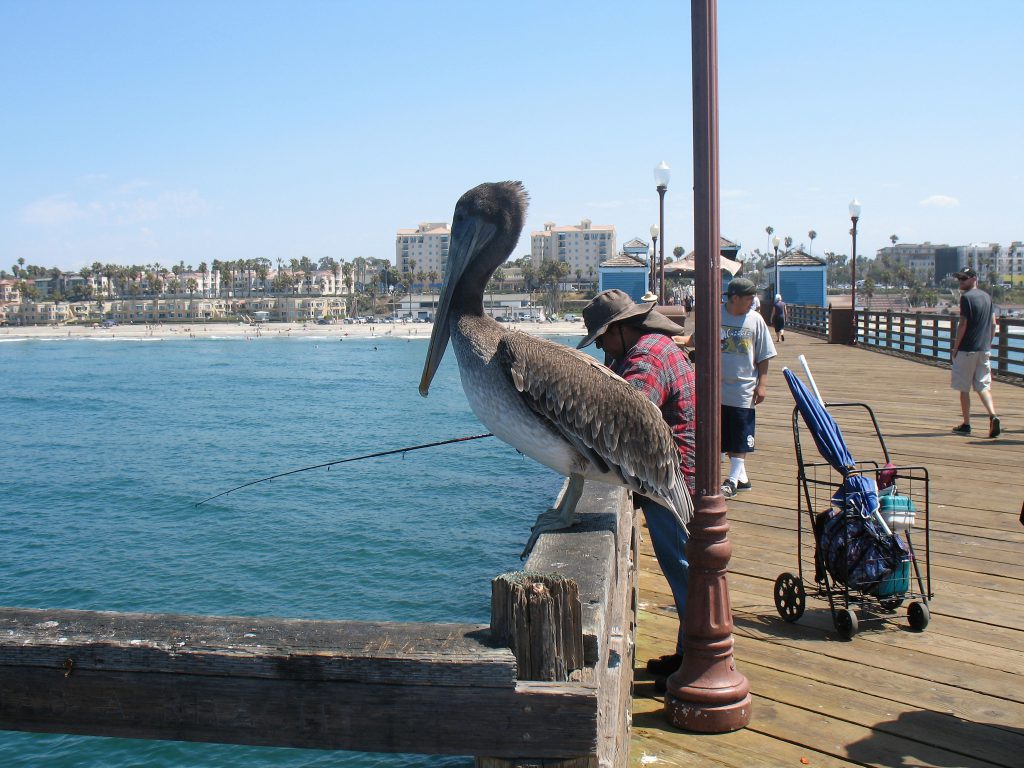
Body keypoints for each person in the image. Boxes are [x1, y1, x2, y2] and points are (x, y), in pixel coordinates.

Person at [578, 289, 695, 682]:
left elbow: (627, 415)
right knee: (685, 566)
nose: (602, 350)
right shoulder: (657, 345)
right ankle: (688, 652)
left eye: (603, 339)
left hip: (672, 481)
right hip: (679, 474)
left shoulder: (644, 359)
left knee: (682, 567)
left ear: (620, 330)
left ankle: (694, 660)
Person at [718, 278, 777, 497]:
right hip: (717, 388)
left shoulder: (756, 320)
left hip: (743, 387)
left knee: (741, 433)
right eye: (750, 298)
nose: (753, 302)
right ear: (735, 298)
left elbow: (764, 355)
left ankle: (732, 480)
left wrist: (762, 384)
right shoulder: (717, 315)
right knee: (721, 433)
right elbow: (699, 339)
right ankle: (741, 477)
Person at [950, 267, 1000, 438]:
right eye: (959, 279)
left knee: (964, 388)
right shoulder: (987, 297)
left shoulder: (966, 298)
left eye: (964, 279)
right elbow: (993, 324)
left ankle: (966, 424)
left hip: (967, 350)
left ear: (973, 279)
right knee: (983, 385)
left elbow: (962, 324)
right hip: (983, 349)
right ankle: (993, 415)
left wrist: (956, 347)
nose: (961, 282)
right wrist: (988, 342)